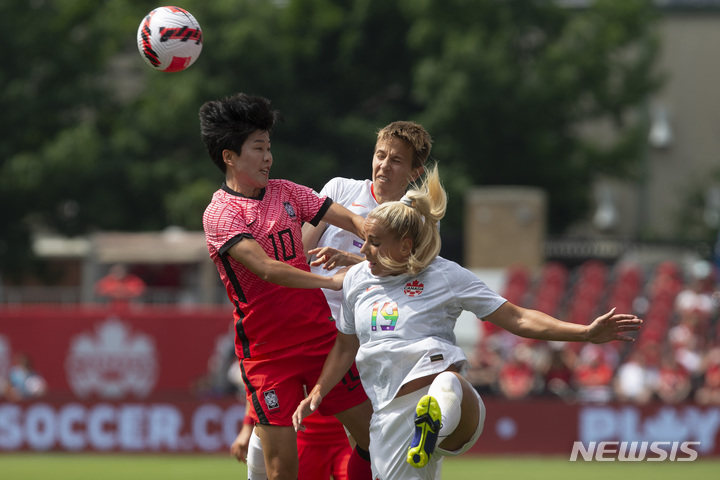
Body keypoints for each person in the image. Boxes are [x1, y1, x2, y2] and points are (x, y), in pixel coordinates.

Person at [293, 164, 642, 480]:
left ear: (404, 246)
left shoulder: (445, 275)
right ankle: (429, 426)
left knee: (448, 383)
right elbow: (345, 345)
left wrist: (585, 333)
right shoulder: (357, 279)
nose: (364, 249)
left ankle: (437, 414)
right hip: (387, 411)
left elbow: (516, 316)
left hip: (443, 392)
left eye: (373, 242)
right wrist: (321, 389)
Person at [238, 120, 435, 479]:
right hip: (314, 331)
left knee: (377, 442)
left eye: (396, 161)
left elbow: (415, 275)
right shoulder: (341, 190)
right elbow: (296, 252)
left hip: (371, 342)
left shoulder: (417, 216)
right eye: (380, 155)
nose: (383, 165)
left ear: (415, 172)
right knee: (272, 435)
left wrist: (353, 263)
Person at [200, 92, 373, 480]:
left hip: (320, 343)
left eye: (269, 147)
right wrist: (330, 281)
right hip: (267, 356)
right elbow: (267, 269)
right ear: (229, 156)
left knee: (374, 439)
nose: (268, 157)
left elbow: (345, 217)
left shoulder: (287, 192)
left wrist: (373, 232)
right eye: (258, 148)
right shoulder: (221, 213)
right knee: (283, 471)